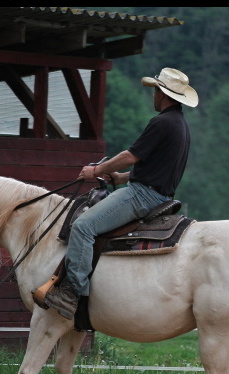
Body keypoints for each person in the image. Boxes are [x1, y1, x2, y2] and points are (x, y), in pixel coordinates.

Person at [44, 67, 198, 320]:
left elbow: (130, 156)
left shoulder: (160, 123)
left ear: (162, 93)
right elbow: (156, 167)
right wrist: (120, 178)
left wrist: (97, 170)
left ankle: (71, 293)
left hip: (142, 196)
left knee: (83, 227)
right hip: (159, 195)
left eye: (155, 91)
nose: (153, 96)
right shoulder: (181, 125)